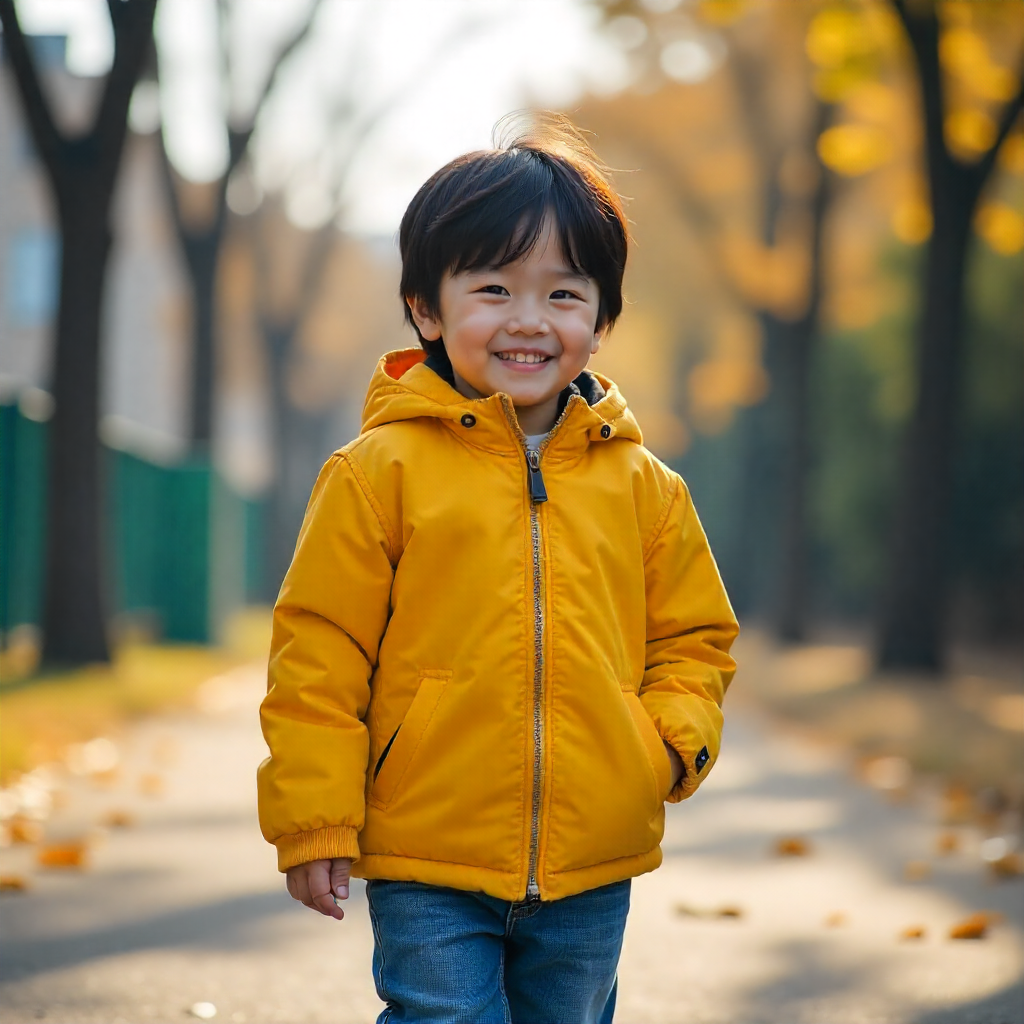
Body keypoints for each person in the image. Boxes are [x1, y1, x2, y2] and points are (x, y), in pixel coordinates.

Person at [258, 114, 738, 1024]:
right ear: (427, 309)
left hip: (593, 857)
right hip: (425, 853)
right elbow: (318, 652)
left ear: (602, 319)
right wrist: (315, 814)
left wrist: (664, 745)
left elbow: (697, 637)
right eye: (493, 289)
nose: (529, 320)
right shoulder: (377, 474)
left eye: (564, 294)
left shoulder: (647, 488)